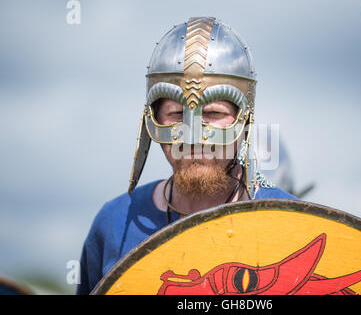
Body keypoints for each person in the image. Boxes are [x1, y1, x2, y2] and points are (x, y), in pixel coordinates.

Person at [76, 17, 297, 295]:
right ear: (153, 119)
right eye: (177, 114)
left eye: (214, 114)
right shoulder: (114, 223)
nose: (193, 135)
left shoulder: (291, 223)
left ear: (244, 120)